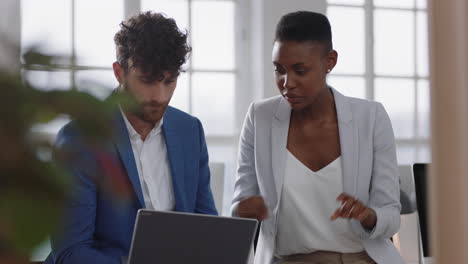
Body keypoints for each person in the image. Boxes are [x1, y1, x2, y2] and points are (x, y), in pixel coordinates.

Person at [231, 11, 403, 264]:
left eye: (300, 70)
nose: (287, 83)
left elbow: (391, 215)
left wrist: (368, 216)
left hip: (358, 259)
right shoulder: (260, 118)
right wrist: (247, 210)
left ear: (329, 61)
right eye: (279, 70)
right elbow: (239, 208)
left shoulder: (371, 118)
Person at [46, 12, 217, 264]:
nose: (159, 96)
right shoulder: (80, 138)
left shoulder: (189, 131)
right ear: (119, 73)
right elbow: (70, 252)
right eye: (147, 81)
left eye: (169, 81)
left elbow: (208, 230)